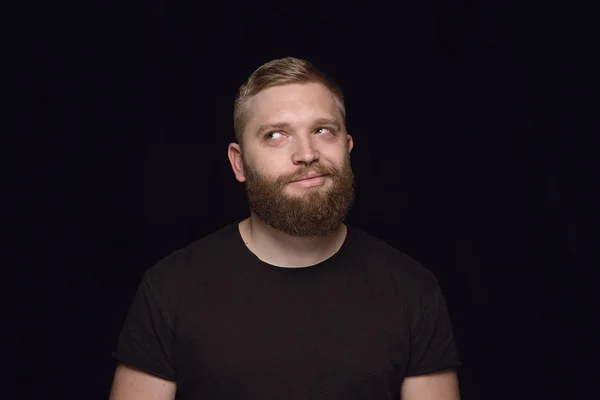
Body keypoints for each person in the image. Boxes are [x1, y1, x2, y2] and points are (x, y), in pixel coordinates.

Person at [109, 57, 461, 399]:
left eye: (323, 130)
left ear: (348, 147)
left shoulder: (412, 289)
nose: (307, 153)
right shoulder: (170, 288)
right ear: (239, 162)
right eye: (276, 135)